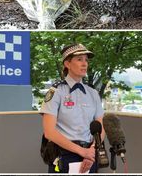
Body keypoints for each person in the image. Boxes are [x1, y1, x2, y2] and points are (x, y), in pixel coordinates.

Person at [40, 43, 105, 173]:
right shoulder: (56, 92)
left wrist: (91, 151)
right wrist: (82, 152)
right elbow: (49, 132)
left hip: (91, 154)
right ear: (67, 64)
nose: (84, 63)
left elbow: (100, 128)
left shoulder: (93, 93)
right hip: (64, 154)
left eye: (86, 60)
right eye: (79, 59)